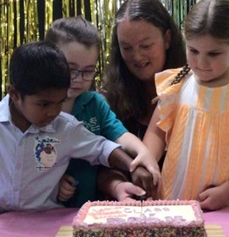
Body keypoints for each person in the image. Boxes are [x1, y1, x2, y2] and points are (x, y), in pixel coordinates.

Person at [0, 41, 158, 220]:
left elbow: (102, 148)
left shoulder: (65, 127)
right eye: (43, 104)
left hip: (45, 220)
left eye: (59, 102)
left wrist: (133, 167)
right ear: (15, 93)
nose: (53, 112)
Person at [143, 0, 229, 210]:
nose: (201, 62)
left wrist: (226, 192)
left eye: (213, 53)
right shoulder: (177, 85)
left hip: (227, 205)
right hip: (174, 198)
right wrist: (149, 165)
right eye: (194, 51)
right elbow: (156, 133)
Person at [45, 16, 160, 206]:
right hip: (45, 212)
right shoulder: (37, 109)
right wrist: (53, 181)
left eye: (88, 71)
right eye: (71, 69)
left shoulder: (95, 104)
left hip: (89, 208)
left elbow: (120, 135)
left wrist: (142, 152)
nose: (78, 79)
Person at [100, 0, 186, 140]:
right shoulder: (108, 98)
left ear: (167, 39)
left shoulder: (192, 88)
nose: (137, 56)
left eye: (146, 46)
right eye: (126, 48)